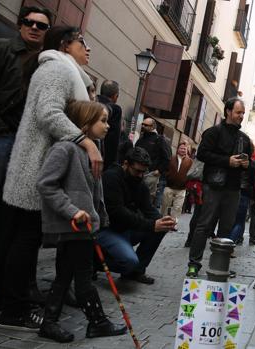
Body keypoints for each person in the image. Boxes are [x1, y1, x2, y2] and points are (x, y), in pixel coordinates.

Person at [0, 25, 102, 332]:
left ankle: (7, 301)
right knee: (26, 240)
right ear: (65, 45)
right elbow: (49, 113)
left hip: (40, 165)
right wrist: (86, 141)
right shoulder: (57, 69)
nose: (88, 49)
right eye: (83, 42)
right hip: (37, 167)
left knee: (22, 238)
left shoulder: (66, 71)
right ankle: (13, 310)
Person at [36, 100, 126, 342]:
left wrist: (99, 217)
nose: (108, 126)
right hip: (74, 225)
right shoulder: (65, 149)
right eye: (103, 121)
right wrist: (72, 211)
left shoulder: (91, 150)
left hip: (84, 226)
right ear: (85, 124)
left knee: (65, 274)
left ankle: (50, 322)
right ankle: (97, 322)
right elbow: (46, 183)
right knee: (83, 277)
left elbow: (94, 193)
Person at [0, 5, 53, 317]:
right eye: (29, 22)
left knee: (8, 216)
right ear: (19, 25)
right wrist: (0, 129)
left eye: (41, 25)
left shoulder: (46, 61)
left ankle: (1, 283)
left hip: (26, 145)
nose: (34, 28)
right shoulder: (1, 49)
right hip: (1, 137)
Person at [186, 97, 252, 278]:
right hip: (213, 186)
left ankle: (220, 265)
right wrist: (227, 161)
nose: (241, 116)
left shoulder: (244, 139)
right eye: (238, 112)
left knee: (226, 228)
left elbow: (250, 162)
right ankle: (194, 264)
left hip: (233, 189)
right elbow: (202, 154)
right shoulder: (213, 132)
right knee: (204, 225)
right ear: (228, 112)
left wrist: (247, 164)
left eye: (243, 113)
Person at [97, 147, 176, 284]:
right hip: (108, 229)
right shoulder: (111, 177)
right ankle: (94, 262)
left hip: (126, 229)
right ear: (126, 164)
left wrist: (163, 221)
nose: (140, 175)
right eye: (137, 171)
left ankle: (136, 271)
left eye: (143, 172)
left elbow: (148, 209)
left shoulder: (139, 183)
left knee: (160, 228)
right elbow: (117, 212)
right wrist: (152, 224)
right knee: (129, 262)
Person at [134, 117, 170, 204]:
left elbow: (167, 157)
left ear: (152, 127)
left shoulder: (159, 139)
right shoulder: (140, 140)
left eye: (145, 125)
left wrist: (159, 171)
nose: (143, 126)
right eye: (142, 124)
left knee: (147, 198)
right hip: (136, 172)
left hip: (150, 173)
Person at [229, 143, 255, 245]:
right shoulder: (253, 163)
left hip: (233, 191)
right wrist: (254, 198)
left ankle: (228, 241)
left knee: (230, 219)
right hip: (245, 193)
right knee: (239, 221)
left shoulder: (234, 159)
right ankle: (231, 241)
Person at [161, 142, 193, 226]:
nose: (183, 150)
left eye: (184, 149)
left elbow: (191, 173)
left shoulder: (190, 161)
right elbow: (165, 169)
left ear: (187, 150)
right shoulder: (171, 158)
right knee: (165, 204)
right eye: (181, 148)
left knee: (178, 207)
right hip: (169, 186)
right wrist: (167, 176)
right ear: (178, 149)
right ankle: (163, 221)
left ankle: (173, 224)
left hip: (182, 188)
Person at [97, 80, 122, 168]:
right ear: (116, 96)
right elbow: (113, 139)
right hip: (102, 157)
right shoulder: (115, 109)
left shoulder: (90, 102)